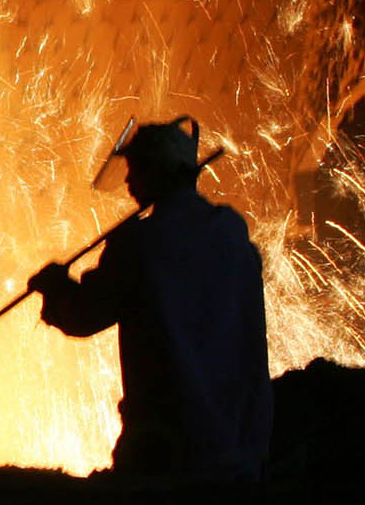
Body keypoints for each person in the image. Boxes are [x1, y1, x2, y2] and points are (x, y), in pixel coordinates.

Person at [27, 119, 272, 488]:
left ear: (157, 171)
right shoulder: (230, 232)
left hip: (168, 446)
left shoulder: (140, 244)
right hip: (240, 440)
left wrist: (55, 289)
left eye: (134, 170)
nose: (128, 182)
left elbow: (84, 315)